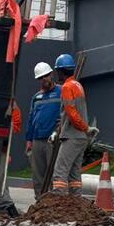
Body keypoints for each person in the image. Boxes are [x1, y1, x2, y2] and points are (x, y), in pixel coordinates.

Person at [51, 53, 98, 195]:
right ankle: (76, 200)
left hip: (72, 135)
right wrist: (86, 130)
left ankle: (58, 198)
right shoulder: (78, 85)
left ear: (61, 71)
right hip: (81, 137)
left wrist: (85, 127)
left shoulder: (66, 87)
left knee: (60, 170)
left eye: (57, 71)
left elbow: (72, 113)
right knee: (74, 173)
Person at [26, 61, 62, 199]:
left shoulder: (62, 91)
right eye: (40, 77)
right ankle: (40, 201)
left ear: (51, 74)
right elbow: (30, 120)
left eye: (46, 75)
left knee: (53, 172)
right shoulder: (36, 98)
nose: (44, 79)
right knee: (38, 174)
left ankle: (54, 202)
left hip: (53, 140)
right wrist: (29, 140)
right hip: (36, 140)